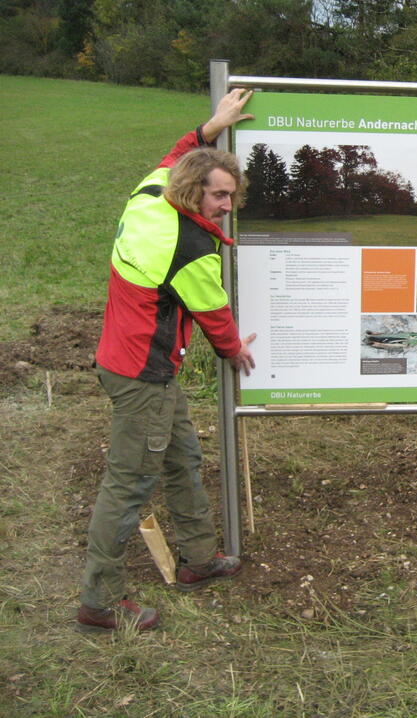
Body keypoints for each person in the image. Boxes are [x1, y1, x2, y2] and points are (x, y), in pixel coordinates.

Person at [76, 88, 258, 633]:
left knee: (181, 456)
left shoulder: (152, 193)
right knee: (128, 483)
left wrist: (209, 129)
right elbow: (215, 315)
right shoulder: (188, 246)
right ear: (194, 190)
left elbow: (173, 155)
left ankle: (198, 559)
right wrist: (235, 351)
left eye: (231, 195)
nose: (227, 206)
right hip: (143, 374)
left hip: (127, 361)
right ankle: (99, 602)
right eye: (220, 196)